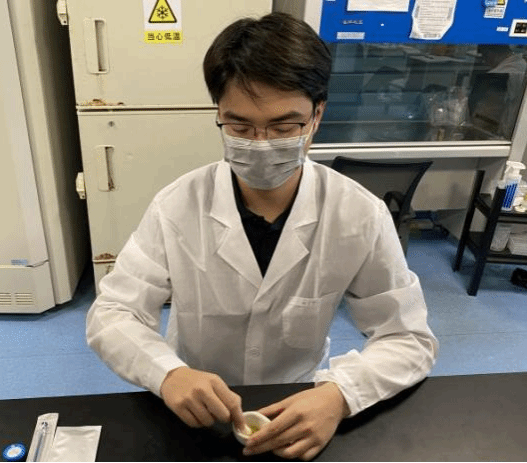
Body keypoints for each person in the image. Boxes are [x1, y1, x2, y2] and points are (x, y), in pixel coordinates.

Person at [86, 12, 438, 461]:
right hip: (195, 403)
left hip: (298, 403)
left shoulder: (358, 215)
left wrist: (340, 394)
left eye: (284, 127)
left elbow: (408, 337)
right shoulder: (177, 206)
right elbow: (114, 313)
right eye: (240, 127)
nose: (261, 143)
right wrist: (167, 373)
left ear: (317, 115)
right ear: (219, 114)